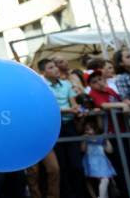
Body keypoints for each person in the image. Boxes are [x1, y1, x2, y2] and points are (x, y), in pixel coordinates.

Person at [39, 58, 85, 198]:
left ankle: (80, 194)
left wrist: (77, 109)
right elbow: (48, 108)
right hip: (54, 128)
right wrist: (69, 110)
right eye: (50, 67)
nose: (55, 69)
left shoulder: (66, 84)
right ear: (43, 72)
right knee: (61, 165)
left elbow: (73, 103)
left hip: (69, 126)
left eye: (55, 66)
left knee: (76, 164)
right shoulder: (42, 87)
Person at [81, 119, 116, 198]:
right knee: (102, 180)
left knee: (105, 180)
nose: (87, 131)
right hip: (91, 163)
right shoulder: (87, 140)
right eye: (85, 130)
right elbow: (83, 149)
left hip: (102, 163)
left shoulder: (100, 139)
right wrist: (84, 140)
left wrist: (106, 140)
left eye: (89, 129)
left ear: (95, 129)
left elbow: (110, 150)